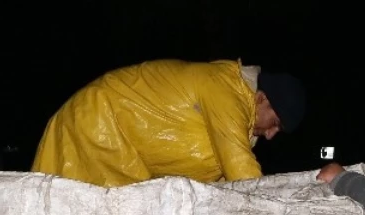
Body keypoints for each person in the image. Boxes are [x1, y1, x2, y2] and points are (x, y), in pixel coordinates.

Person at [32, 59, 305, 187]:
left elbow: (223, 187)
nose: (270, 135)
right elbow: (243, 176)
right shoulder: (224, 87)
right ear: (261, 98)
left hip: (120, 150)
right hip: (97, 123)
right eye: (276, 124)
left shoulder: (237, 118)